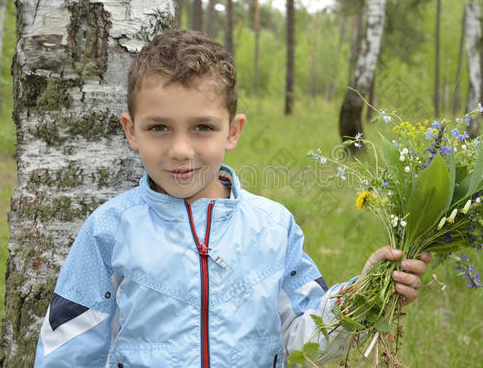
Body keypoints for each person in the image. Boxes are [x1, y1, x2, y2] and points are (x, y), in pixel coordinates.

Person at [33, 30, 432, 367]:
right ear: (131, 130)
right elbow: (68, 347)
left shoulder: (273, 227)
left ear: (233, 131)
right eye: (159, 127)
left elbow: (306, 336)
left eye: (203, 127)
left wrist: (364, 297)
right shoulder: (110, 229)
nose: (181, 150)